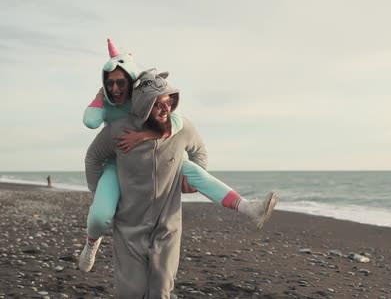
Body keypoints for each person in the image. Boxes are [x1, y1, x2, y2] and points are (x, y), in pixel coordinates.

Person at [79, 38, 277, 273]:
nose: (115, 88)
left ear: (132, 79)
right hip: (119, 160)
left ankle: (248, 208)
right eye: (109, 83)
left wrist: (144, 136)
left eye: (120, 82)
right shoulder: (107, 100)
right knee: (100, 216)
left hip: (158, 154)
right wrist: (101, 94)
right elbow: (90, 122)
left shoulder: (146, 96)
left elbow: (176, 122)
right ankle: (92, 243)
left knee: (191, 170)